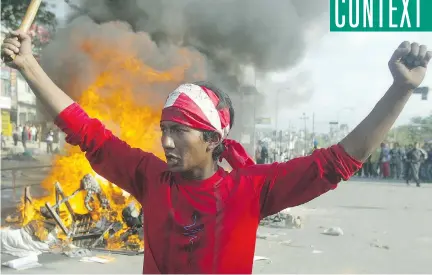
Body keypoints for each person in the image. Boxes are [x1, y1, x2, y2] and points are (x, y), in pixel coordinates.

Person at [2, 30, 430, 274]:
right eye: (164, 129)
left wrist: (399, 90)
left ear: (212, 139)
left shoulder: (252, 189)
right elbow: (87, 131)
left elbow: (338, 161)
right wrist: (30, 67)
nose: (166, 141)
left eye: (180, 132)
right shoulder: (149, 178)